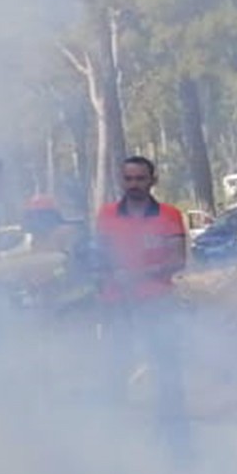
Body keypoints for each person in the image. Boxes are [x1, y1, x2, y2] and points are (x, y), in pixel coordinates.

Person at [94, 155, 191, 450]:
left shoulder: (169, 215)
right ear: (121, 181)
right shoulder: (106, 215)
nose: (134, 184)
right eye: (128, 179)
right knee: (115, 368)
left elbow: (177, 260)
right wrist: (109, 275)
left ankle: (177, 442)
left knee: (166, 370)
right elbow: (98, 256)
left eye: (140, 179)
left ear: (152, 180)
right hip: (116, 303)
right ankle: (112, 439)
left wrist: (137, 274)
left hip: (156, 302)